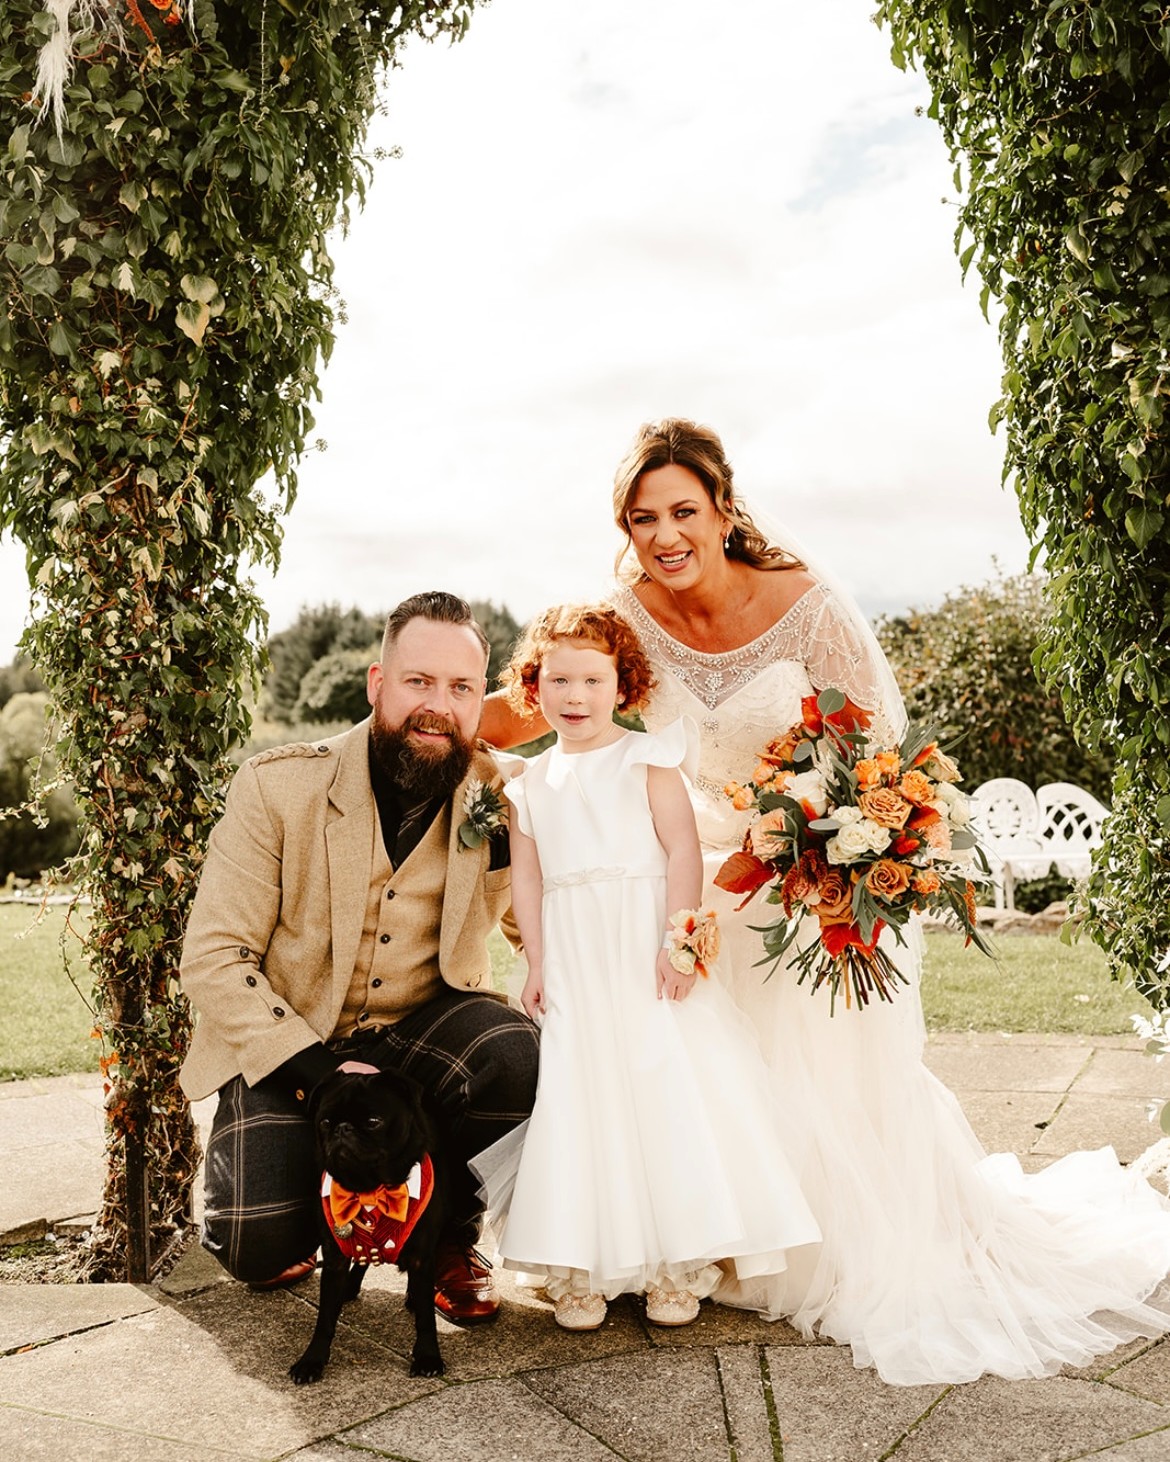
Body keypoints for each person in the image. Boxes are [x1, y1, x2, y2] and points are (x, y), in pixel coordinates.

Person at [481, 419, 1170, 1385]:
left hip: (800, 870)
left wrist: (818, 845)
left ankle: (808, 1242)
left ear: (724, 509)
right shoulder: (623, 615)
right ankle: (696, 1228)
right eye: (643, 519)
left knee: (793, 1010)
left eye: (684, 510)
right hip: (698, 879)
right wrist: (430, 712)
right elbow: (535, 697)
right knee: (677, 1034)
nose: (665, 535)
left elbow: (871, 754)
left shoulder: (804, 606)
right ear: (626, 530)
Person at [179, 590, 539, 1323]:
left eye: (461, 688)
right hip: (294, 1048)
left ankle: (446, 1237)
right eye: (419, 682)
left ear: (480, 700)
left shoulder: (501, 799)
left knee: (517, 1052)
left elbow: (538, 929)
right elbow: (213, 957)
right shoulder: (279, 786)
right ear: (377, 684)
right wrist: (319, 1072)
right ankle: (320, 1202)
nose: (439, 706)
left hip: (421, 1040)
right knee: (252, 1243)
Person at [471, 603, 819, 1332]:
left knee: (662, 1083)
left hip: (642, 943)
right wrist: (534, 961)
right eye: (558, 680)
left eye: (592, 681)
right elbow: (528, 880)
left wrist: (680, 939)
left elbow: (683, 852)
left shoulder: (647, 757)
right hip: (572, 950)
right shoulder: (527, 784)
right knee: (580, 1091)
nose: (575, 697)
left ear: (620, 685)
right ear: (533, 689)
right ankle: (581, 1267)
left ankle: (675, 1261)